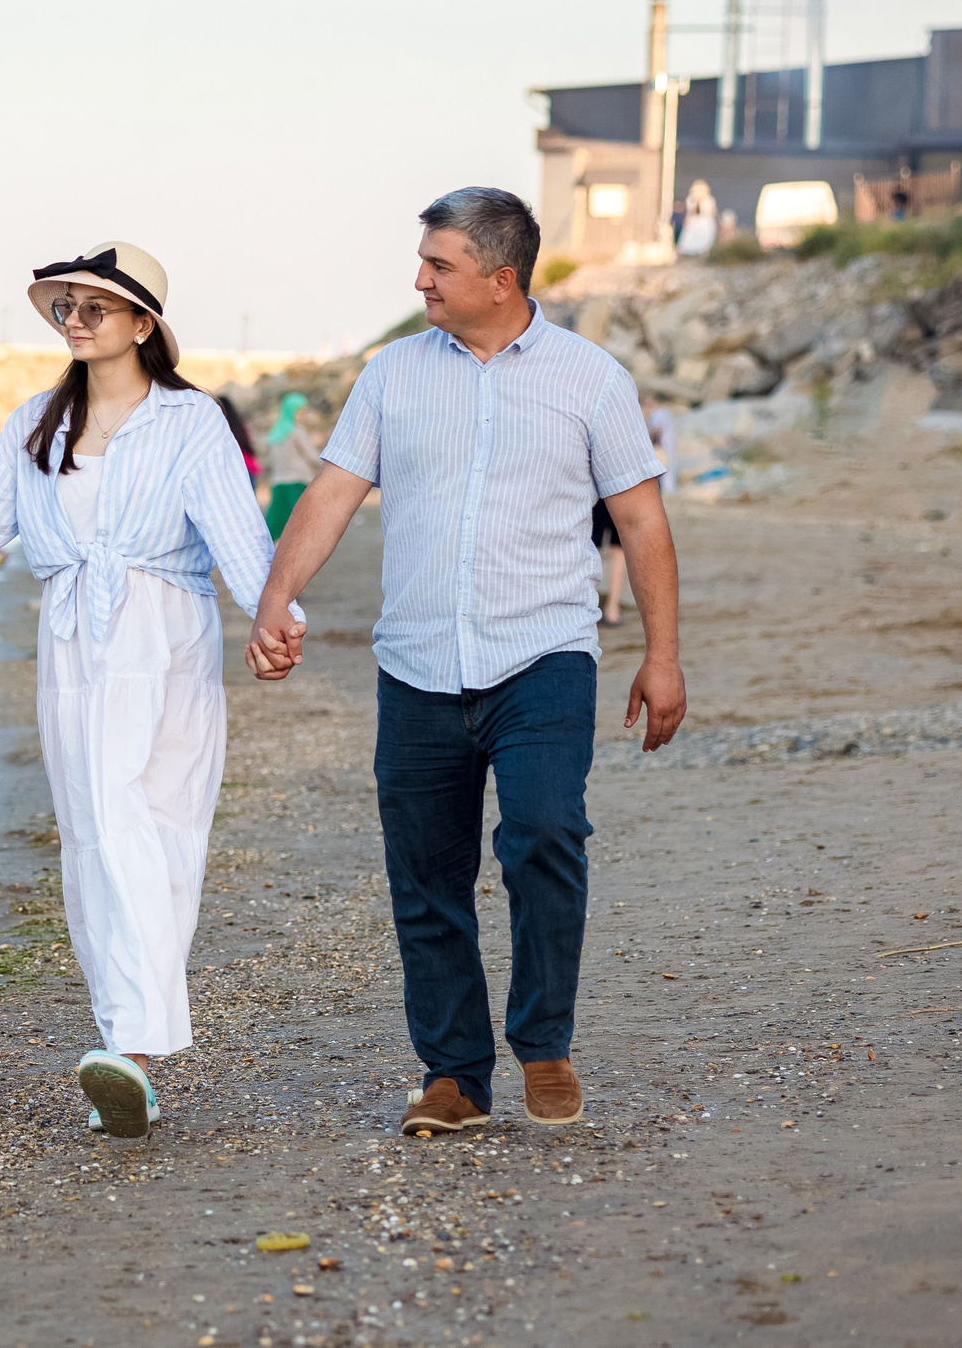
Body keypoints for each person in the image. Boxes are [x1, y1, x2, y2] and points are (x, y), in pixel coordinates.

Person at [246, 188, 686, 1137]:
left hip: (544, 656)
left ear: (501, 279)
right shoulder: (392, 376)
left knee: (545, 834)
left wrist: (663, 656)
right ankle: (454, 1076)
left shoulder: (590, 379)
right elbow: (331, 494)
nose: (420, 281)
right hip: (416, 665)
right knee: (426, 878)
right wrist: (276, 596)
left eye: (438, 265)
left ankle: (544, 1042)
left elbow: (643, 522)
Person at [0, 242, 291, 1139]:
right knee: (94, 836)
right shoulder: (36, 425)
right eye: (67, 307)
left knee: (160, 829)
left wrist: (274, 618)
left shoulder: (191, 421)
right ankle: (128, 1051)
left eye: (97, 307)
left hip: (165, 642)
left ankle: (133, 1049)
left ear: (143, 325)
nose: (78, 320)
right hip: (71, 646)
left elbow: (239, 537)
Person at [595, 394, 675, 626]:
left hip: (602, 490)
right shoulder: (638, 425)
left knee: (593, 547)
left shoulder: (603, 418)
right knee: (618, 550)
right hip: (625, 488)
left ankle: (598, 606)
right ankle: (612, 608)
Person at [262, 392, 322, 538]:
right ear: (291, 412)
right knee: (300, 526)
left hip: (278, 483)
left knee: (277, 526)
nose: (303, 417)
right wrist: (324, 469)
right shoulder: (297, 431)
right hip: (297, 481)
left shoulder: (275, 432)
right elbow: (312, 456)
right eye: (300, 412)